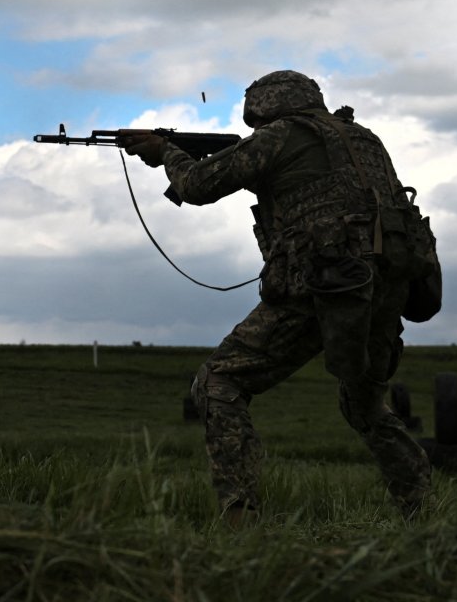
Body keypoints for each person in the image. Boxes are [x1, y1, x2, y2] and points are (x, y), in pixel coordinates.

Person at [119, 70, 438, 524]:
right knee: (365, 404)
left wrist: (167, 152)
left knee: (218, 382)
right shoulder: (362, 138)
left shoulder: (281, 136)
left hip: (324, 283)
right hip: (385, 283)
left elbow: (197, 187)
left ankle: (239, 516)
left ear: (266, 105)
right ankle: (423, 513)